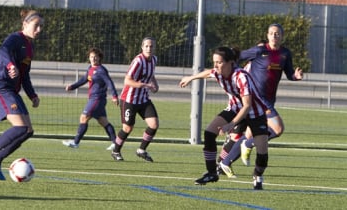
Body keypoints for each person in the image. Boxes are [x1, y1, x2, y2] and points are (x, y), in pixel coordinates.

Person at [218, 23, 303, 179]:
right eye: (271, 33)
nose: (274, 36)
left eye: (277, 33)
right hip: (258, 98)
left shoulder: (285, 53)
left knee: (251, 134)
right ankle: (246, 146)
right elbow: (236, 58)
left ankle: (225, 162)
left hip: (270, 99)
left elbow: (289, 73)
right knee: (277, 129)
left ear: (282, 36)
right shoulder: (259, 51)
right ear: (267, 35)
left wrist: (295, 77)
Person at [179, 46, 269, 189]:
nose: (215, 66)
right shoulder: (218, 72)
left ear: (230, 63)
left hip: (255, 112)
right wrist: (191, 77)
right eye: (214, 62)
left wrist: (230, 124)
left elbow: (247, 106)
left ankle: (258, 175)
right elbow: (209, 73)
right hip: (234, 108)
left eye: (219, 62)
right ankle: (211, 173)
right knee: (209, 133)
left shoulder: (241, 76)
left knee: (262, 155)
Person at [0, 10, 43, 180]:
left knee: (28, 131)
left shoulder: (30, 47)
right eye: (36, 26)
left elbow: (25, 74)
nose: (39, 30)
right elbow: (3, 50)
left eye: (41, 27)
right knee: (20, 127)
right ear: (25, 25)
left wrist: (32, 95)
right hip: (0, 88)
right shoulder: (15, 38)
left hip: (11, 91)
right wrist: (10, 65)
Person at [111, 37, 159, 162]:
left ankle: (141, 150)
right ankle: (116, 151)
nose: (149, 48)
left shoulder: (154, 59)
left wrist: (154, 84)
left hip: (143, 99)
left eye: (151, 46)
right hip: (129, 99)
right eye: (146, 46)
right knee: (127, 128)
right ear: (142, 47)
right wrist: (144, 85)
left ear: (154, 48)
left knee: (154, 124)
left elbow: (151, 74)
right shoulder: (138, 61)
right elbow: (127, 80)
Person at [62, 47, 119, 150]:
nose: (93, 59)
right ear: (89, 57)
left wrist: (114, 96)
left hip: (97, 99)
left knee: (84, 117)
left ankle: (76, 142)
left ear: (99, 58)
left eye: (95, 57)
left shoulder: (101, 70)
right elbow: (84, 79)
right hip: (95, 99)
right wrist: (72, 86)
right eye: (91, 57)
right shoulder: (90, 68)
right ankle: (115, 143)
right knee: (103, 121)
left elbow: (109, 82)